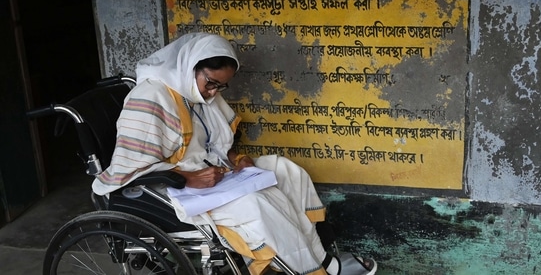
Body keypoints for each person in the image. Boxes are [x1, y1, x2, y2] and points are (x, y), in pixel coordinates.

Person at [92, 32, 377, 275]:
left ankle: (318, 258)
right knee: (257, 202)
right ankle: (312, 269)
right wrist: (188, 177)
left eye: (221, 85)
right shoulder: (149, 99)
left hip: (210, 173)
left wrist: (237, 160)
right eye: (211, 83)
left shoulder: (194, 90)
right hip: (168, 189)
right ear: (190, 68)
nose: (214, 93)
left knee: (285, 170)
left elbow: (214, 143)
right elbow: (132, 167)